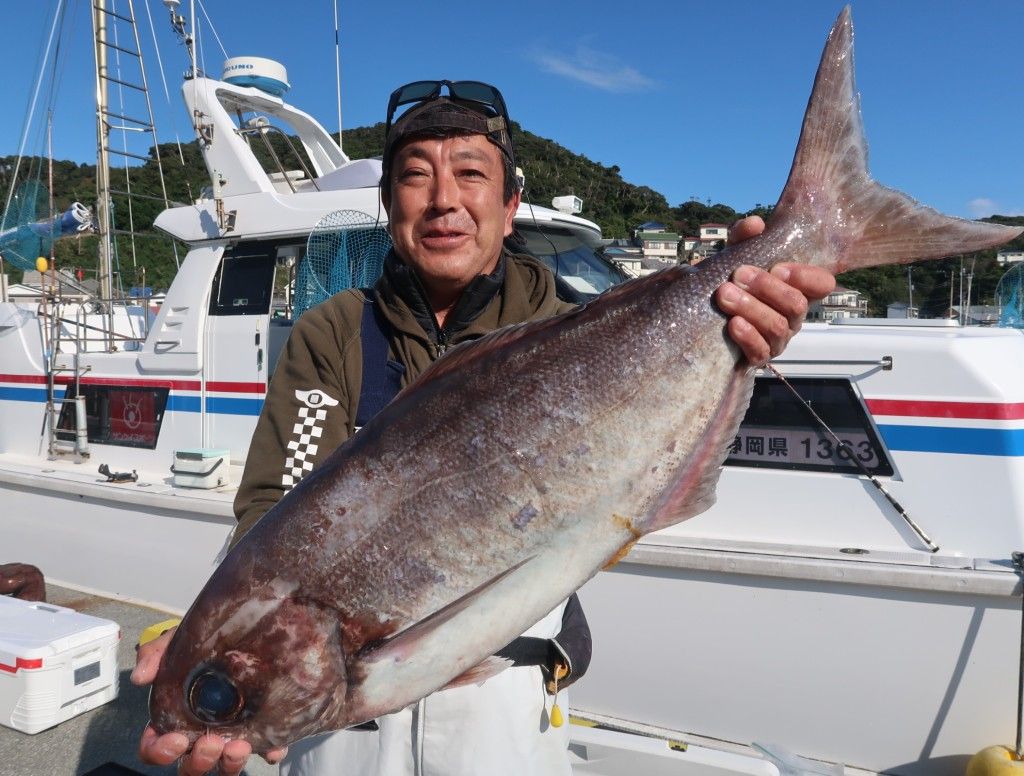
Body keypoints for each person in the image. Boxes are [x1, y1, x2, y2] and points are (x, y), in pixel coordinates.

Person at [133, 79, 835, 776]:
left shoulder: (573, 321)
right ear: (388, 205)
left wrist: (741, 318)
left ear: (510, 205)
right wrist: (210, 638)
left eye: (471, 174)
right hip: (342, 737)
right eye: (415, 177)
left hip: (508, 696)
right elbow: (275, 507)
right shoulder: (334, 332)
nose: (444, 199)